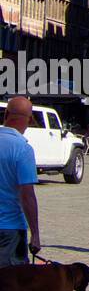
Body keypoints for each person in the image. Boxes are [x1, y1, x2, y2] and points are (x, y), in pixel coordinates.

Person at [0, 96, 40, 266]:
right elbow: (27, 195)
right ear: (29, 120)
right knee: (11, 287)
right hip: (10, 228)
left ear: (6, 114)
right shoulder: (23, 149)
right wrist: (35, 234)